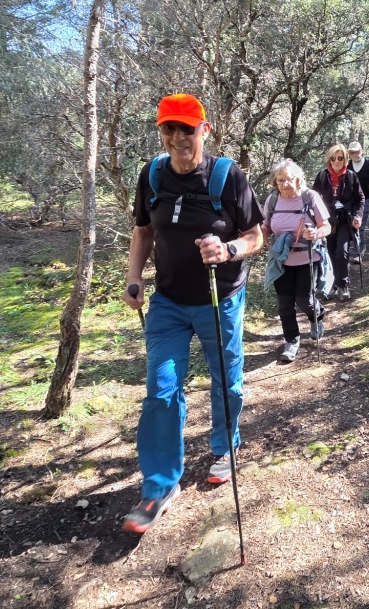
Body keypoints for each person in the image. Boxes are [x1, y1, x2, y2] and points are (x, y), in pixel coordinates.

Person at [122, 92, 264, 534]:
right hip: (167, 301)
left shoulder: (227, 176)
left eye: (187, 128)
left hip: (220, 298)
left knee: (227, 380)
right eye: (170, 128)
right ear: (161, 131)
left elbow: (256, 236)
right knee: (161, 389)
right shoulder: (152, 174)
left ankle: (225, 446)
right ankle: (160, 485)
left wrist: (228, 249)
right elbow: (143, 231)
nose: (178, 137)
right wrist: (134, 277)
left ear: (204, 130)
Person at [260, 159, 332, 362]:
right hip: (281, 260)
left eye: (289, 179)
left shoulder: (310, 197)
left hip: (308, 258)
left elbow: (326, 226)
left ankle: (317, 315)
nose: (285, 184)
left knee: (305, 300)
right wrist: (260, 235)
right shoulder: (272, 200)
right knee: (284, 304)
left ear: (298, 179)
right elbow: (266, 225)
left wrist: (316, 233)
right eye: (280, 180)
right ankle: (291, 341)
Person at [312, 144, 364, 300]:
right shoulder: (322, 176)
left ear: (345, 160)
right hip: (327, 221)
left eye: (340, 158)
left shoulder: (351, 176)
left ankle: (343, 285)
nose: (336, 161)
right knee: (330, 253)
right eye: (333, 158)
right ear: (329, 159)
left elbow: (360, 198)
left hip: (345, 219)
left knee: (342, 252)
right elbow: (313, 198)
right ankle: (333, 284)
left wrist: (358, 216)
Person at [346, 141, 369, 262]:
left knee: (359, 225)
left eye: (357, 151)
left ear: (362, 151)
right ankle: (358, 248)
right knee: (350, 226)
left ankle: (358, 253)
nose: (355, 154)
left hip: (366, 199)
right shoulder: (347, 165)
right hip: (350, 201)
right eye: (352, 152)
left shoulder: (368, 164)